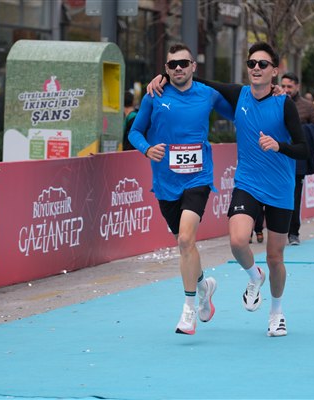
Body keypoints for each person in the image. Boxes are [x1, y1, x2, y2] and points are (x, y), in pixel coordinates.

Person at [149, 41, 310, 337]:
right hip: (247, 182)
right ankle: (254, 276)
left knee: (275, 257)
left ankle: (276, 313)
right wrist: (162, 77)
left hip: (280, 187)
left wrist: (279, 146)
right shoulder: (240, 95)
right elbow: (197, 79)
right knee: (237, 241)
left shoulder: (283, 103)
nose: (256, 68)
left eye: (263, 64)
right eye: (251, 63)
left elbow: (304, 149)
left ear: (274, 71)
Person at [128, 43, 233, 335]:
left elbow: (241, 112)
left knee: (186, 239)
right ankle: (203, 287)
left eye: (183, 63)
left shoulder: (208, 94)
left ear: (193, 67)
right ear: (165, 69)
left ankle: (188, 311)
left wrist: (272, 97)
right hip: (166, 182)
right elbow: (135, 131)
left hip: (198, 178)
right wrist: (147, 149)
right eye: (172, 64)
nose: (178, 68)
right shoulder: (155, 95)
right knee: (184, 244)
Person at [281, 72, 314, 246]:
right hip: (277, 157)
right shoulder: (274, 102)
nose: (286, 89)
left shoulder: (308, 106)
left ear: (297, 86)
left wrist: (302, 132)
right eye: (283, 86)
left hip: (297, 160)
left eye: (289, 86)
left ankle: (293, 233)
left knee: (295, 196)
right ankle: (274, 231)